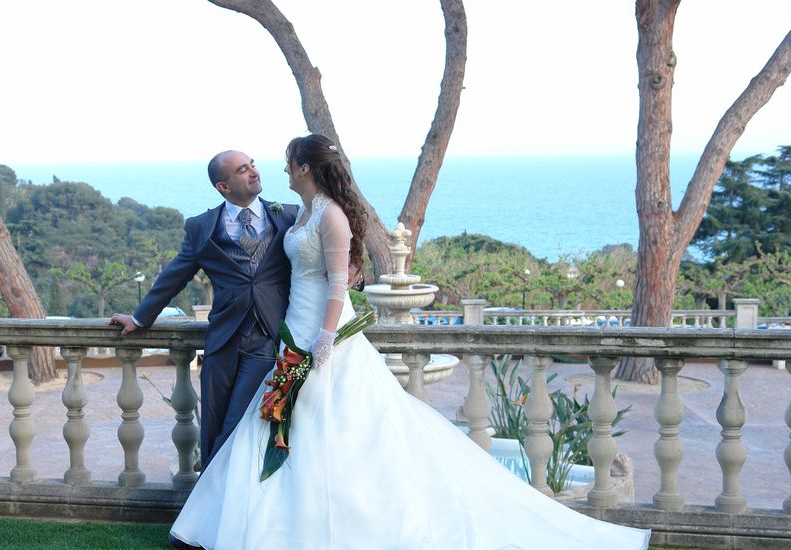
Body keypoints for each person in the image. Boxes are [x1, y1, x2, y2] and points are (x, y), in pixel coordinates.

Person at [169, 134, 651, 549]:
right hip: (291, 329)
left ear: (306, 168)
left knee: (333, 427)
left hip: (322, 335)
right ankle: (270, 525)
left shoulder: (330, 214)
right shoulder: (299, 213)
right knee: (281, 425)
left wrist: (324, 339)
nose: (279, 171)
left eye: (288, 163)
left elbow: (338, 282)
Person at [110, 150, 299, 470]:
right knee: (212, 425)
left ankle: (217, 496)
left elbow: (318, 258)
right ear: (223, 187)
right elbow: (175, 275)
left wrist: (355, 278)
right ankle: (210, 507)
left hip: (267, 340)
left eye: (252, 164)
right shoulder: (201, 227)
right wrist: (140, 317)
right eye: (242, 170)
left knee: (238, 423)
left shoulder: (289, 215)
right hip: (222, 340)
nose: (254, 172)